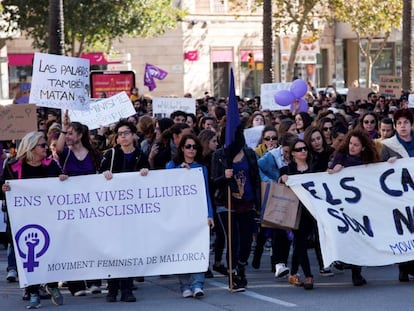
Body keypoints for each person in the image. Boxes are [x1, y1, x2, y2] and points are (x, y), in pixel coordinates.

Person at [1, 131, 64, 308]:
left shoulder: (51, 165)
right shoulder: (12, 166)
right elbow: (1, 187)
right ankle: (34, 291)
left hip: (48, 217)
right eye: (42, 145)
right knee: (29, 256)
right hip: (23, 220)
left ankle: (51, 285)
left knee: (50, 252)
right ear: (31, 147)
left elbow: (62, 185)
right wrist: (3, 188)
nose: (46, 148)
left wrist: (62, 179)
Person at [99, 119, 149, 302]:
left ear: (134, 135)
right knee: (112, 250)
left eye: (127, 133)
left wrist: (145, 172)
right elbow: (97, 180)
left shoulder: (141, 155)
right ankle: (112, 288)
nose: (123, 136)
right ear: (117, 138)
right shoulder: (110, 155)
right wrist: (104, 175)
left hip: (132, 213)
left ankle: (127, 288)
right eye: (120, 134)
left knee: (128, 250)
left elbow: (150, 181)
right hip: (112, 212)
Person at [56, 110, 102, 296]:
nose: (67, 137)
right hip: (71, 207)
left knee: (92, 242)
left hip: (91, 206)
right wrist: (63, 127)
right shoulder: (65, 153)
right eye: (66, 134)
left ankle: (94, 280)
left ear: (80, 135)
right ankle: (76, 285)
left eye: (70, 133)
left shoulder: (93, 154)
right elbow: (58, 149)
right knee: (73, 243)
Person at [211, 124, 261, 292]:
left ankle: (240, 266)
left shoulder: (249, 154)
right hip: (226, 203)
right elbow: (213, 180)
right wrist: (223, 176)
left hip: (247, 203)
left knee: (246, 241)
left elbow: (256, 179)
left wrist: (259, 204)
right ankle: (233, 276)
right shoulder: (219, 155)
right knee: (233, 240)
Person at [328, 128, 381, 286]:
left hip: (363, 207)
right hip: (345, 207)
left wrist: (391, 163)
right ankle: (351, 267)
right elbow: (328, 176)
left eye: (356, 145)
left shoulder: (369, 162)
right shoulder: (341, 158)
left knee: (360, 238)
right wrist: (334, 170)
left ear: (363, 147)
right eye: (351, 143)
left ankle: (356, 271)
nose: (352, 147)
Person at [166, 134, 214, 298]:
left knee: (199, 249)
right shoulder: (172, 166)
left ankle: (198, 284)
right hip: (180, 216)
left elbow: (205, 192)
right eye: (188, 146)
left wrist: (209, 214)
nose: (191, 150)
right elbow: (166, 187)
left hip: (198, 214)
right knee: (183, 251)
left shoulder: (202, 168)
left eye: (194, 147)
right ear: (181, 149)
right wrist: (180, 171)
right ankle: (185, 285)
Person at [380, 109, 414, 282]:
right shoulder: (388, 145)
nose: (402, 126)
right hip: (398, 196)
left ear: (411, 125)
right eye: (399, 123)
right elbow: (378, 170)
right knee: (404, 231)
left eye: (406, 123)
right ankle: (404, 267)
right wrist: (387, 165)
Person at [279, 138, 316, 290]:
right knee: (300, 241)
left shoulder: (313, 168)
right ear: (293, 153)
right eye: (299, 149)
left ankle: (293, 273)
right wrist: (282, 179)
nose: (303, 151)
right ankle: (308, 275)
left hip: (310, 211)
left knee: (300, 243)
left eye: (305, 148)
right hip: (294, 211)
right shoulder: (287, 170)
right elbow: (279, 184)